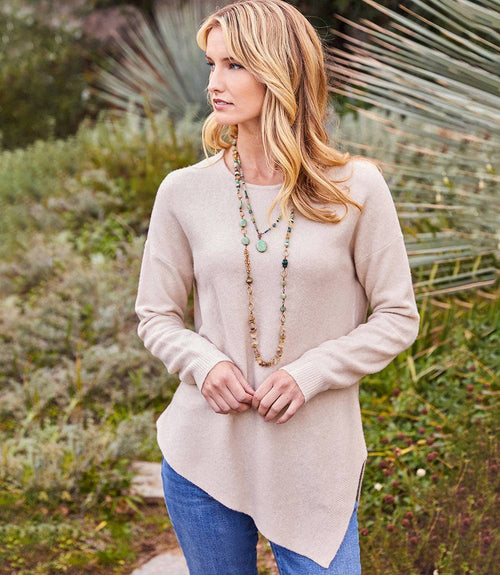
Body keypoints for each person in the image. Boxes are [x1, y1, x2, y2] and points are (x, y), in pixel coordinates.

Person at [134, 0, 420, 573]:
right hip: (203, 455)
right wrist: (203, 363)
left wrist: (310, 373)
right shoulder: (183, 191)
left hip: (315, 461)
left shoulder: (356, 187)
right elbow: (156, 315)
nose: (214, 83)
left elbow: (397, 317)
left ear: (280, 70)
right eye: (212, 65)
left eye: (234, 65)